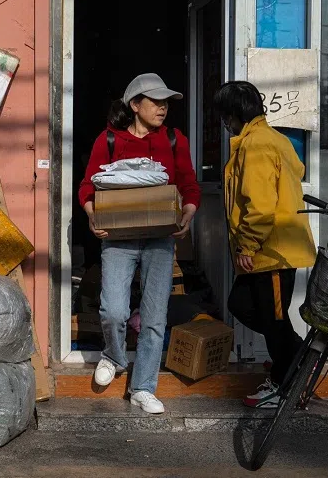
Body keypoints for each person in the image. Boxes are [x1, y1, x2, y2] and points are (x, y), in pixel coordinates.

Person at [78, 73, 200, 414]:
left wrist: (187, 214)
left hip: (161, 239)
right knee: (113, 310)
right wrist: (92, 215)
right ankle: (114, 356)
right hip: (118, 240)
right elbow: (88, 185)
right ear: (135, 105)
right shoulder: (110, 140)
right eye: (155, 102)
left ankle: (143, 387)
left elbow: (189, 185)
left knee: (153, 317)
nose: (162, 109)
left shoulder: (175, 140)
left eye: (165, 103)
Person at [213, 81, 316, 409]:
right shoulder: (276, 139)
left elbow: (259, 205)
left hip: (271, 253)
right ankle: (292, 354)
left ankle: (285, 378)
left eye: (226, 116)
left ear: (235, 114)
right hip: (273, 250)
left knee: (272, 320)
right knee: (242, 305)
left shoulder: (255, 144)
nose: (225, 123)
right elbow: (295, 173)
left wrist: (247, 246)